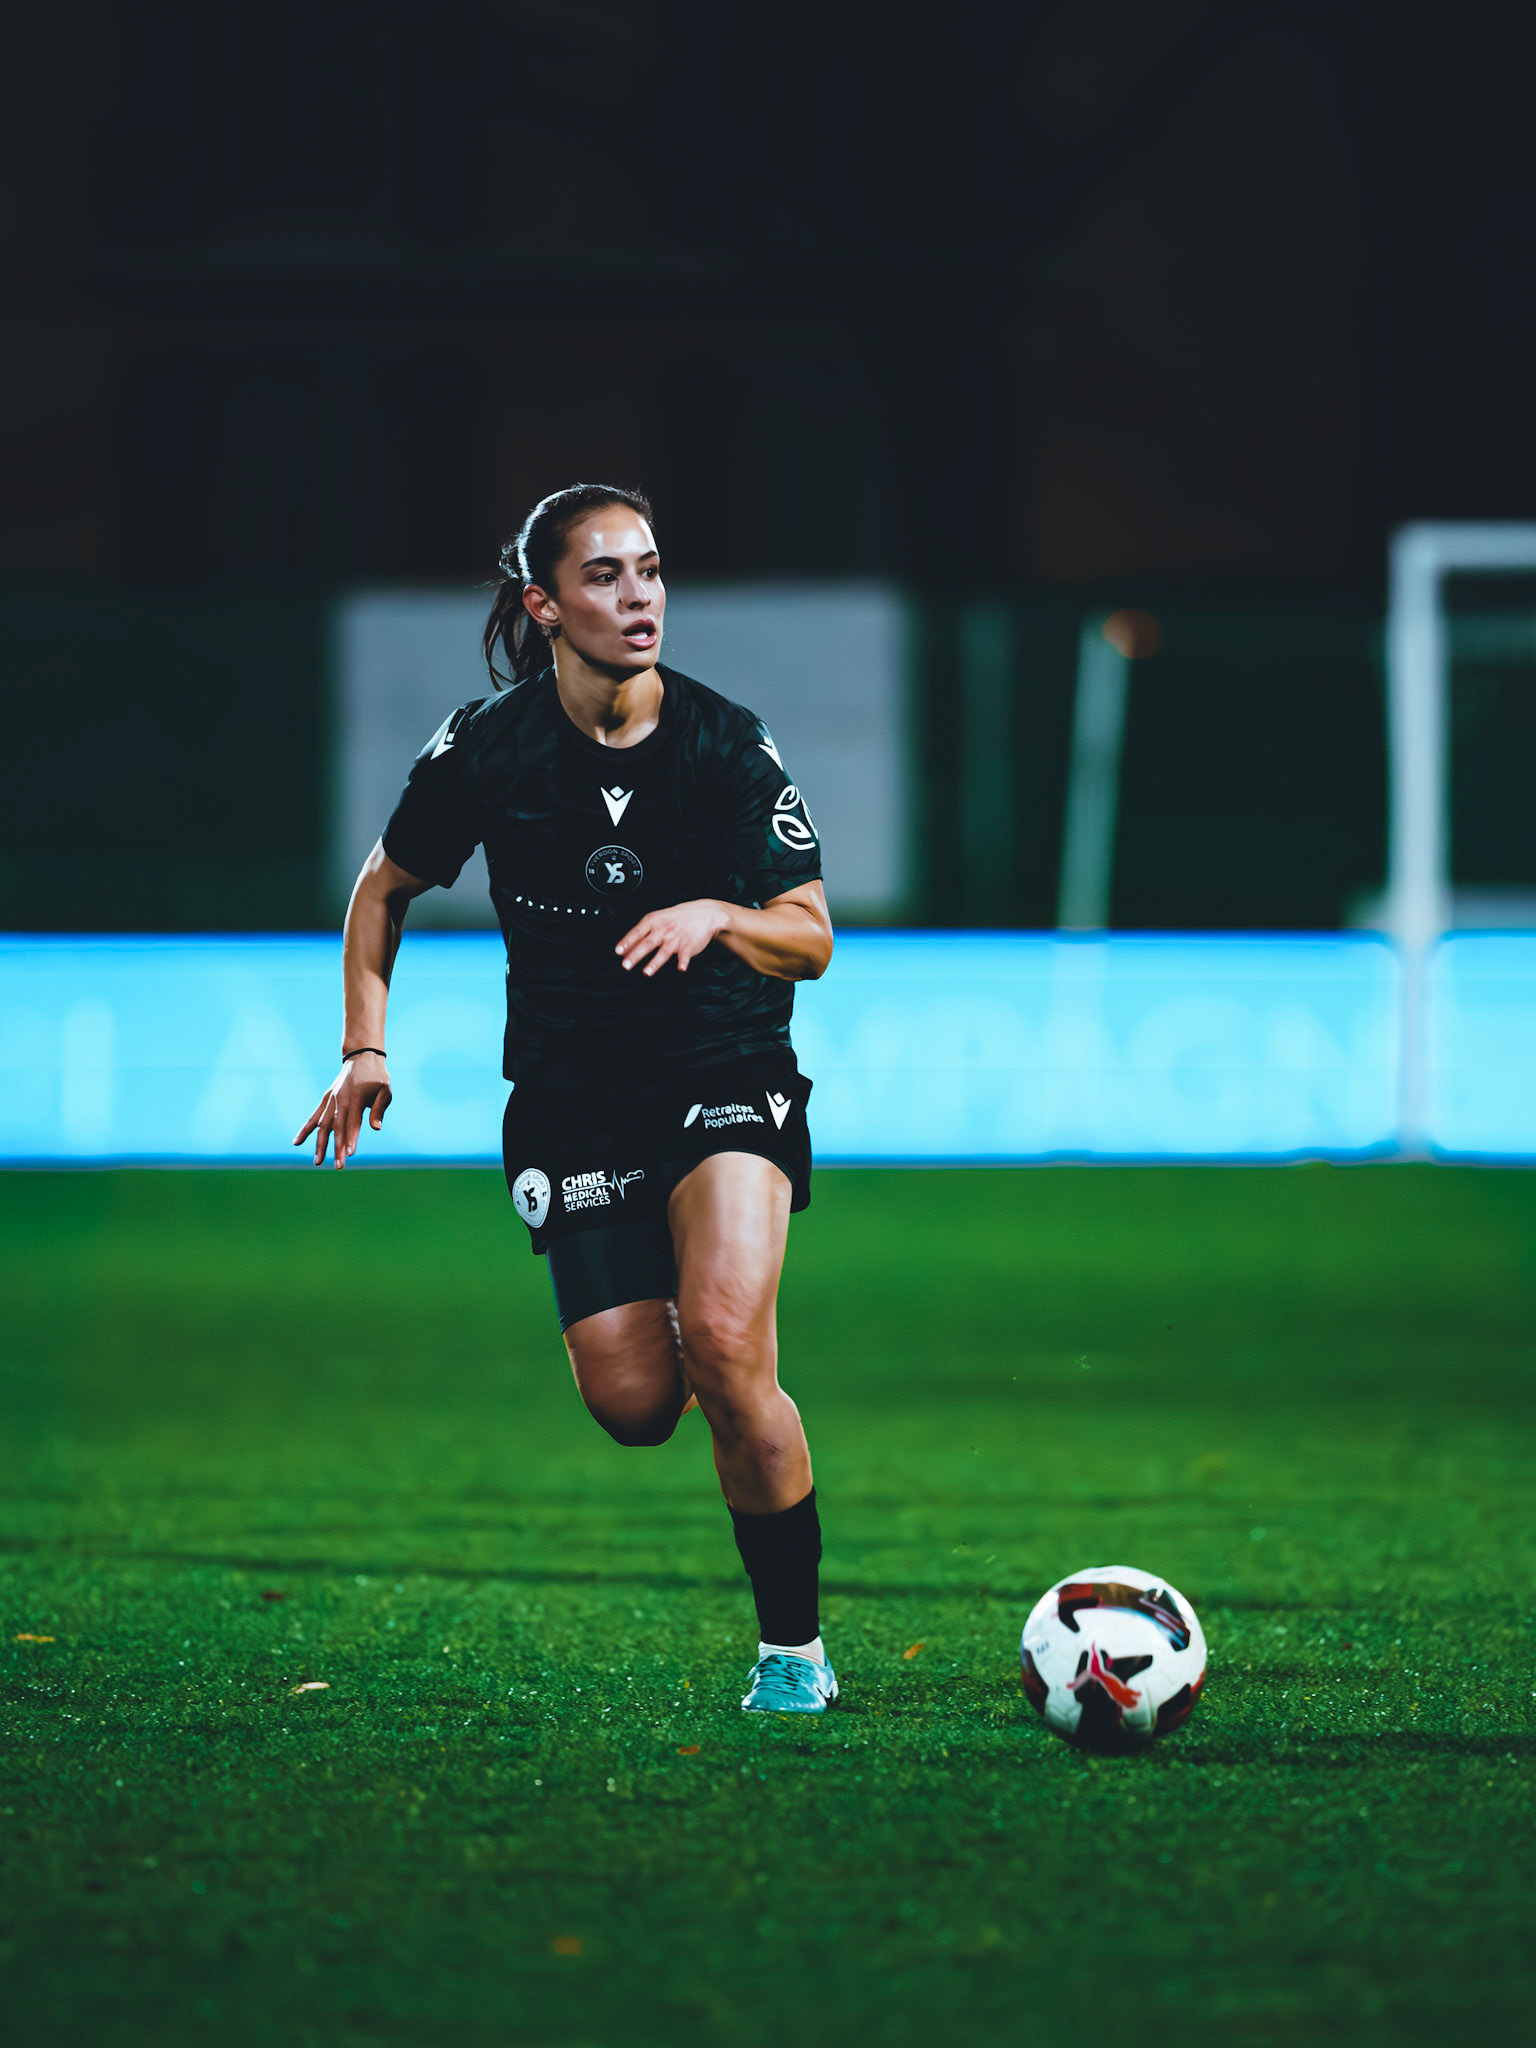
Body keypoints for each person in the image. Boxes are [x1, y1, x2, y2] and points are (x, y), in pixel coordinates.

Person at [295, 484, 838, 1713]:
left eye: (649, 569)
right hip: (574, 1095)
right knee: (637, 1401)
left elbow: (809, 938)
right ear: (544, 603)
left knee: (729, 1343)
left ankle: (793, 1652)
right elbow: (381, 889)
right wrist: (362, 1048)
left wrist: (720, 914)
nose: (638, 594)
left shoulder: (725, 742)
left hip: (723, 1068)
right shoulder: (487, 748)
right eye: (604, 575)